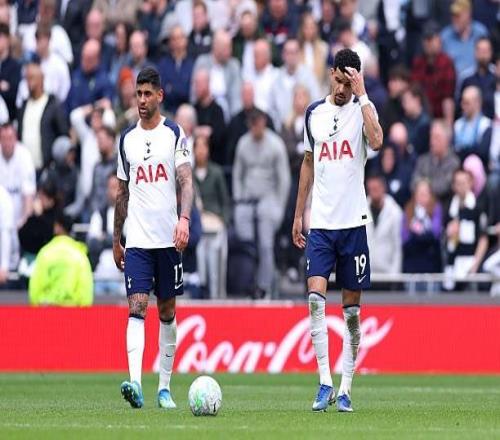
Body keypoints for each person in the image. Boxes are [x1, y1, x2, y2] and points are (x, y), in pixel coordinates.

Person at [292, 48, 383, 412]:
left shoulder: (363, 110)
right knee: (315, 300)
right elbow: (308, 163)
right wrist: (298, 214)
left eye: (350, 82)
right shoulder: (314, 113)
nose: (343, 89)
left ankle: (346, 387)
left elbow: (377, 141)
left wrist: (363, 96)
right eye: (340, 81)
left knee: (351, 313)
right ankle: (324, 382)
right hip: (322, 225)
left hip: (353, 224)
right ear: (331, 74)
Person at [113, 67, 193, 409]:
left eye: (148, 94)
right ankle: (135, 382)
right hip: (138, 241)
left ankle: (164, 387)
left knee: (167, 310)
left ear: (160, 95)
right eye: (138, 94)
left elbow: (186, 180)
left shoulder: (173, 133)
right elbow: (122, 193)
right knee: (137, 307)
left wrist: (184, 219)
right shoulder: (126, 140)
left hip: (168, 240)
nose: (142, 100)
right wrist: (117, 239)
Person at [233, 108, 290, 299]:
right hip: (247, 199)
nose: (254, 126)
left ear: (263, 122)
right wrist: (238, 199)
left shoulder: (275, 144)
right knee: (245, 243)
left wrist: (280, 207)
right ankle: (248, 283)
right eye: (251, 123)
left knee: (265, 245)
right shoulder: (243, 143)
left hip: (269, 198)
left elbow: (284, 179)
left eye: (257, 122)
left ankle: (265, 287)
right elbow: (237, 175)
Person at [28, 212, 93, 306]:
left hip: (47, 311)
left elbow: (35, 289)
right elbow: (85, 292)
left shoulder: (45, 253)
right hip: (73, 312)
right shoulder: (80, 255)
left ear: (57, 227)